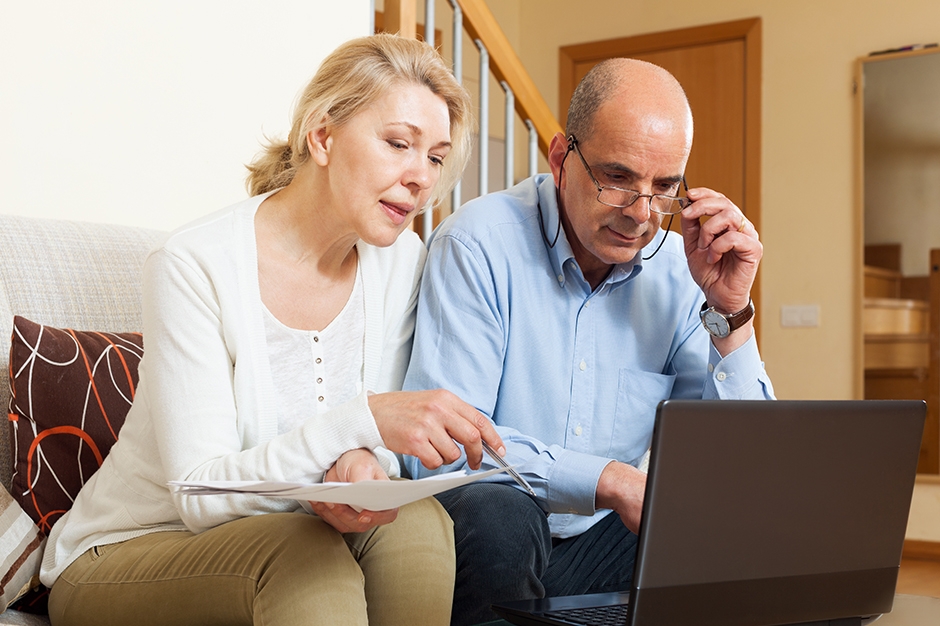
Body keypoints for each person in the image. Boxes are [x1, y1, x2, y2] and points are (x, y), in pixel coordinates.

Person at [40, 34, 504, 626]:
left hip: (293, 530)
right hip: (128, 553)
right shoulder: (193, 264)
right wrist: (362, 424)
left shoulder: (400, 261)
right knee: (303, 557)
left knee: (418, 524)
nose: (422, 179)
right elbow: (198, 493)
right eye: (397, 144)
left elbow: (369, 440)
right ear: (322, 135)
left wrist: (364, 464)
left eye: (436, 158)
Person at [402, 58, 776, 625]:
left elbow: (747, 463)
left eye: (665, 189)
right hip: (486, 530)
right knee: (502, 516)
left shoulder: (680, 272)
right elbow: (447, 453)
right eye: (618, 178)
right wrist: (610, 480)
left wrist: (732, 312)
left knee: (750, 535)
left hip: (597, 540)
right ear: (560, 160)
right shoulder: (479, 245)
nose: (641, 215)